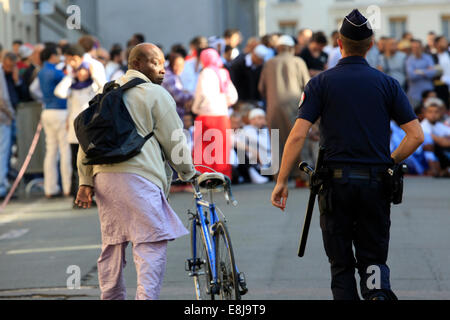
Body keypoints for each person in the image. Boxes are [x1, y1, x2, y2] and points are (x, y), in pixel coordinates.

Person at [271, 9, 424, 300]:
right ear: (371, 45)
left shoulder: (320, 83)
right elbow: (416, 135)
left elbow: (298, 134)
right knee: (374, 260)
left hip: (335, 186)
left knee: (341, 265)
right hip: (375, 184)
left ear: (339, 44)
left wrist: (281, 181)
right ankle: (377, 295)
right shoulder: (387, 84)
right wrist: (388, 162)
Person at [75, 43, 197, 300]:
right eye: (156, 63)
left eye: (163, 63)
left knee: (113, 244)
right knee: (150, 244)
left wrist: (85, 182)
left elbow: (88, 141)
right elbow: (175, 140)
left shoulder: (106, 92)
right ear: (137, 64)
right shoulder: (154, 94)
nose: (162, 69)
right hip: (139, 177)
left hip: (104, 180)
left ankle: (111, 297)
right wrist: (188, 173)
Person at [54, 44, 103, 201]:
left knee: (94, 162)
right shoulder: (72, 81)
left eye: (71, 60)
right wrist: (71, 77)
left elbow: (104, 88)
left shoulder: (94, 77)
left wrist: (92, 74)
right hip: (75, 128)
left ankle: (97, 195)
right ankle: (79, 196)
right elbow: (59, 92)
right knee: (77, 163)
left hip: (92, 126)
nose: (70, 64)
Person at [258, 35, 310, 182]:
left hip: (273, 108)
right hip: (295, 106)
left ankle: (280, 177)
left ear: (278, 48)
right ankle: (303, 176)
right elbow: (307, 86)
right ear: (291, 48)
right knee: (299, 139)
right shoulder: (298, 61)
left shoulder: (269, 63)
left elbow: (261, 88)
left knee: (277, 142)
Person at [192, 48, 238, 178]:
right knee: (221, 149)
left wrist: (195, 108)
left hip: (206, 115)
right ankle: (222, 177)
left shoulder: (205, 72)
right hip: (222, 115)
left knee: (203, 149)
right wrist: (223, 103)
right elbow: (233, 96)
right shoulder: (224, 73)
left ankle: (204, 178)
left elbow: (201, 94)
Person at [36, 44, 72, 198]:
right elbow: (69, 81)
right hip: (60, 111)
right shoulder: (56, 72)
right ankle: (67, 187)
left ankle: (50, 188)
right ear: (52, 56)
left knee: (50, 151)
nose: (59, 57)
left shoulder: (42, 71)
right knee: (64, 150)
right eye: (57, 55)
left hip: (47, 111)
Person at [421, 97, 450, 176]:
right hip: (423, 157)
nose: (433, 115)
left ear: (440, 113)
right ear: (425, 113)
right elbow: (443, 143)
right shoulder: (423, 126)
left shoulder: (439, 125)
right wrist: (444, 140)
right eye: (430, 112)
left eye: (436, 112)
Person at [0, 58, 15, 200]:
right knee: (2, 152)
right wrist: (10, 114)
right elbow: (2, 97)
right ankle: (1, 186)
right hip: (2, 117)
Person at [406, 39, 438, 108]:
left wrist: (418, 71)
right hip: (414, 94)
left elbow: (432, 73)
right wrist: (426, 71)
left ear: (422, 47)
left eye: (417, 47)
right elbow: (411, 76)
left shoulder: (428, 57)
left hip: (428, 92)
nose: (416, 49)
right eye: (414, 47)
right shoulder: (409, 60)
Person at [162, 52, 193, 119]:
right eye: (176, 65)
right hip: (171, 115)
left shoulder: (174, 75)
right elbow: (178, 96)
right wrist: (192, 97)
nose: (179, 68)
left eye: (182, 65)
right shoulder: (169, 76)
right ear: (171, 64)